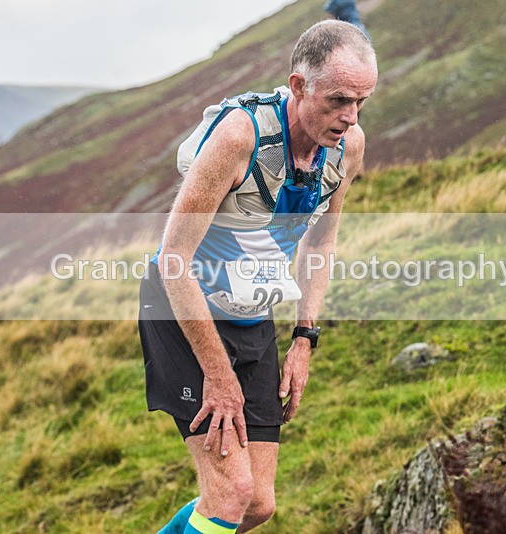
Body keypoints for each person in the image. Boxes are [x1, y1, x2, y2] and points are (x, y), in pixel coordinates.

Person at [138, 20, 377, 534]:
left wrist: (304, 338)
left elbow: (320, 242)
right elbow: (173, 258)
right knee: (230, 494)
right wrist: (218, 374)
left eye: (361, 101)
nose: (350, 116)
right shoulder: (238, 138)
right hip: (184, 309)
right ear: (298, 86)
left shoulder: (348, 147)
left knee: (258, 505)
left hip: (251, 311)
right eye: (338, 100)